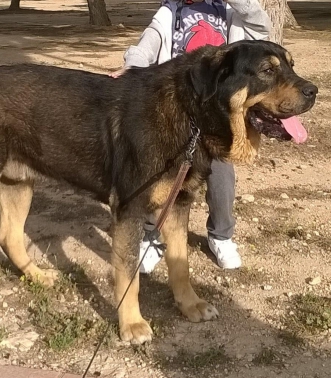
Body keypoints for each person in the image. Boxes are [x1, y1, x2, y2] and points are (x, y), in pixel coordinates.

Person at [110, 0, 271, 272]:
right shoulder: (170, 10)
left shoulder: (233, 12)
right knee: (160, 177)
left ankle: (221, 235)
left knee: (222, 177)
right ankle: (153, 236)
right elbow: (148, 42)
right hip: (177, 111)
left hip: (218, 115)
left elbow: (259, 24)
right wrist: (134, 66)